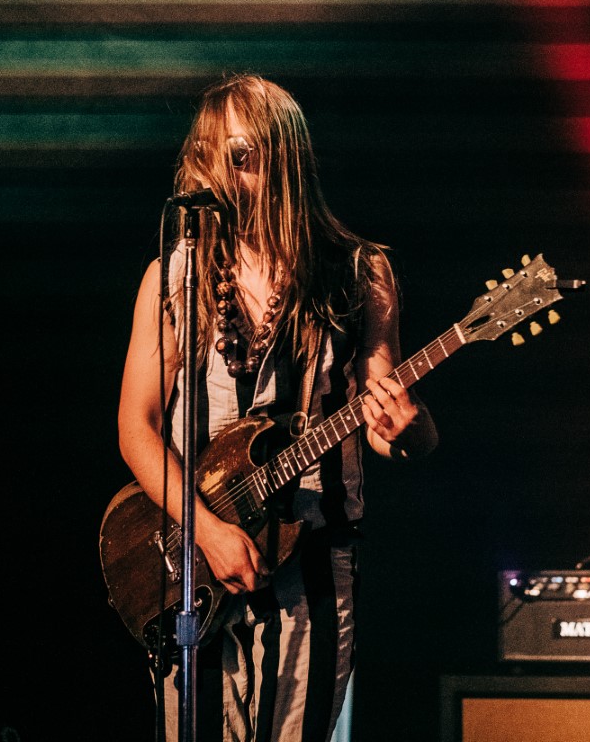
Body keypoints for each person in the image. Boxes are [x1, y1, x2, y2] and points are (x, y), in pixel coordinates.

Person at [117, 73, 438, 742]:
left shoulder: (359, 271)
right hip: (194, 561)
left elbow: (386, 420)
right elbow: (135, 428)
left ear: (283, 160)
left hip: (313, 560)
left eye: (240, 156)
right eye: (210, 155)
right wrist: (207, 532)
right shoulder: (174, 276)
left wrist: (409, 429)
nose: (221, 173)